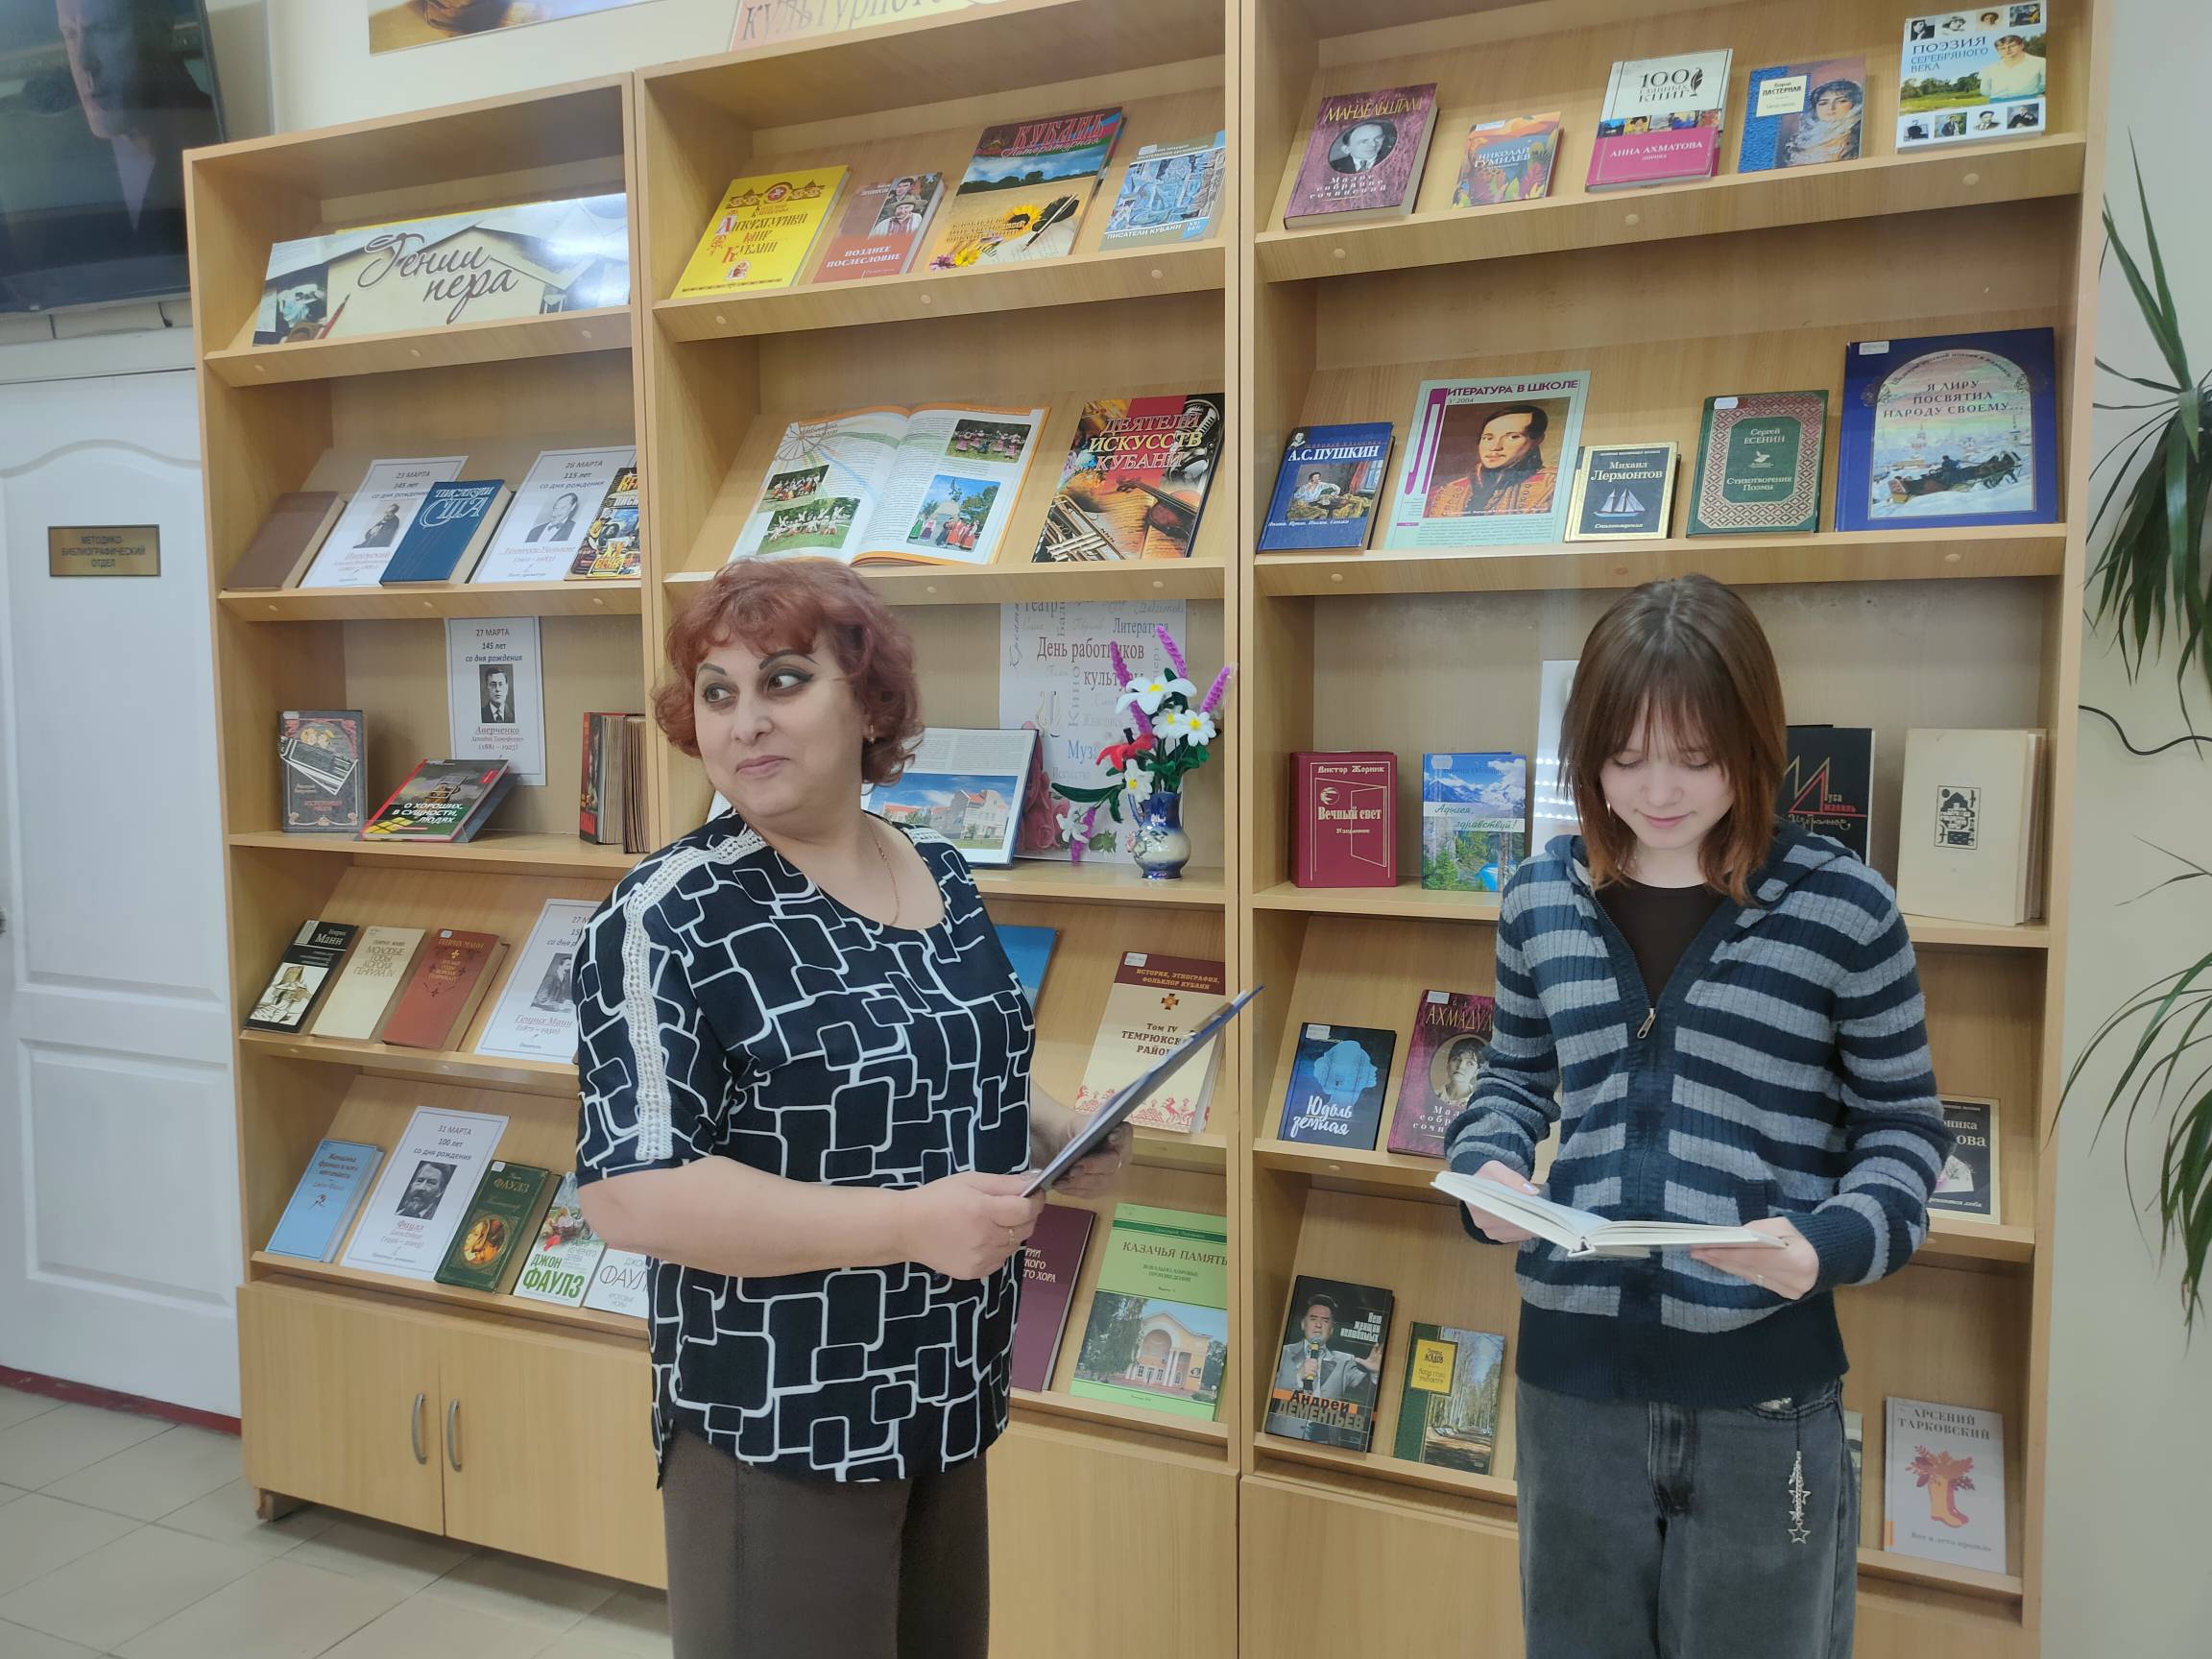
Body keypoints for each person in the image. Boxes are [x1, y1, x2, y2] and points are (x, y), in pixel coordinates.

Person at [573, 558, 1127, 1659]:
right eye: (718, 692)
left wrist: (1053, 1126)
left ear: (870, 705)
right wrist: (909, 1224)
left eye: (783, 681)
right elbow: (631, 1193)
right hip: (782, 1421)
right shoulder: (666, 917)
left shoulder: (939, 868)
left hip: (947, 1392)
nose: (745, 722)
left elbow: (937, 1056)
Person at [1444, 575, 1950, 1659]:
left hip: (1765, 1396)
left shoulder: (1845, 909)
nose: (1659, 790)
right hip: (1571, 1392)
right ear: (1588, 756)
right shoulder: (1538, 898)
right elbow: (1511, 1080)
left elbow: (1906, 1130)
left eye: (1696, 756)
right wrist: (1486, 1169)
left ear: (1752, 744)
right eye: (1626, 758)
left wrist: (1822, 1247)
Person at [1268, 1292, 1382, 1447]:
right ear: (1303, 1324)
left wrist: (1375, 1374)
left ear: (1332, 1329)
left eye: (1325, 1321)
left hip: (1326, 1444)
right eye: (1313, 1319)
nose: (1318, 1325)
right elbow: (1264, 1394)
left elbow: (1367, 1396)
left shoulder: (1345, 1361)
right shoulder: (1282, 1353)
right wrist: (1298, 1376)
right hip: (1282, 1439)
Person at [1425, 405, 1557, 518]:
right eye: (1488, 438)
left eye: (1512, 437)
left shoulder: (1552, 485)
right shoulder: (1447, 490)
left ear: (1537, 440)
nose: (1495, 447)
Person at [1784, 78, 1863, 166]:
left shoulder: (1859, 135)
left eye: (1841, 101)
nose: (1831, 107)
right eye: (1823, 103)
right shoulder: (1800, 140)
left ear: (1855, 104)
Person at [1984, 33, 2044, 100]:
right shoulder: (1991, 68)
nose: (2007, 50)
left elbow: (2044, 84)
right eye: (2002, 48)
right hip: (1998, 101)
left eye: (2012, 46)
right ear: (1998, 51)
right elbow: (1985, 90)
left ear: (2021, 46)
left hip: (2029, 98)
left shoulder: (2040, 62)